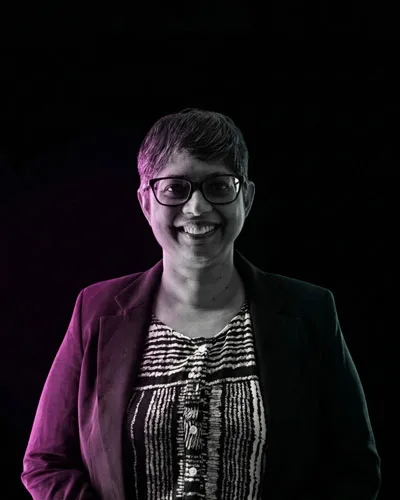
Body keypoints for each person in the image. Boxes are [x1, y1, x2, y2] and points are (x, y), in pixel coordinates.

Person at [21, 108, 381, 499]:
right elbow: (46, 462)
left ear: (246, 198)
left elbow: (354, 469)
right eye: (175, 188)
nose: (197, 208)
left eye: (219, 186)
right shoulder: (96, 310)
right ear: (146, 202)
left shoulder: (309, 312)